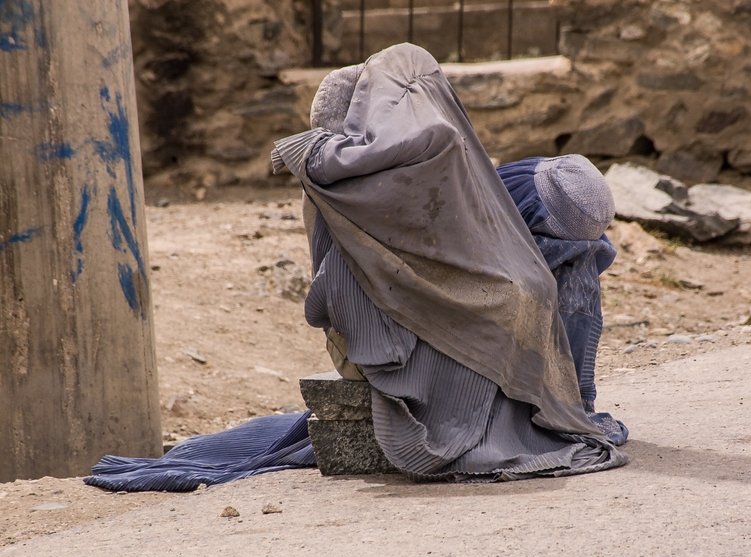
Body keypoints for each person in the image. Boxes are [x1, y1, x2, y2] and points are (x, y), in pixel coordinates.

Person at [84, 43, 626, 491]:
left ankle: (557, 403)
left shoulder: (450, 184)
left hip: (445, 342)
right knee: (535, 285)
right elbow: (340, 302)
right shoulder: (367, 197)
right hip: (394, 351)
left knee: (560, 271)